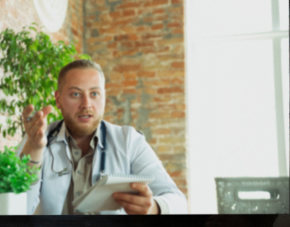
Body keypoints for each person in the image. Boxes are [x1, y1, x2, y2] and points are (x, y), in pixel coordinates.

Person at [19, 59, 187, 215]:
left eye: (94, 94)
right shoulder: (36, 139)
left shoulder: (129, 141)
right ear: (58, 99)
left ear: (104, 97)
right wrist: (34, 150)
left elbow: (178, 202)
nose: (86, 104)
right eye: (76, 94)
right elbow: (14, 211)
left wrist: (153, 208)